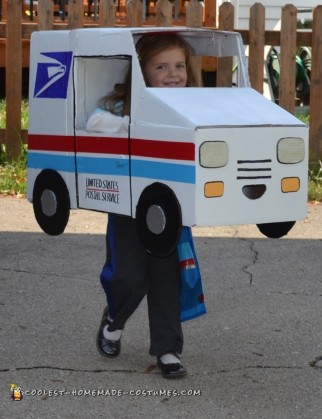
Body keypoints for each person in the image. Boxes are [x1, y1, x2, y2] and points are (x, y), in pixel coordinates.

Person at [86, 33, 203, 379]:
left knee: (167, 279)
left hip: (171, 209)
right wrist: (130, 126)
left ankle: (167, 349)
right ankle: (113, 320)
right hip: (128, 204)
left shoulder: (192, 107)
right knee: (129, 276)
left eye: (179, 66)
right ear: (141, 71)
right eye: (162, 66)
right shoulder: (128, 105)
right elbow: (94, 122)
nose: (173, 74)